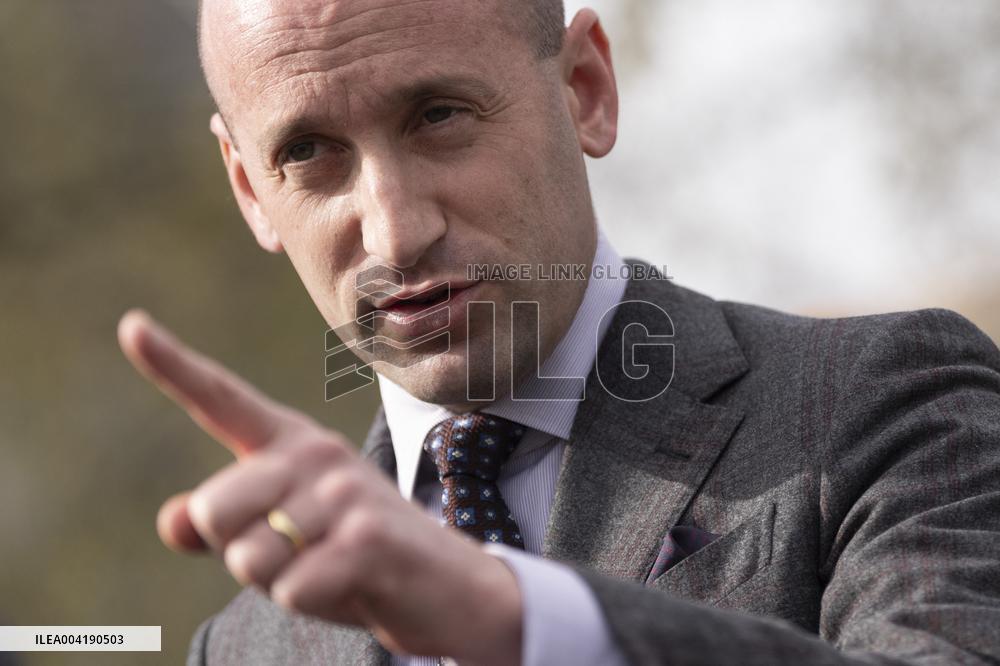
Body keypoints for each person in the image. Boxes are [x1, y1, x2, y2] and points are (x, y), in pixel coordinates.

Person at [116, 0, 1000, 664]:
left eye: (439, 116)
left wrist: (516, 618)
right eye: (308, 153)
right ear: (247, 189)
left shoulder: (887, 403)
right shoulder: (243, 648)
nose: (394, 232)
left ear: (587, 90)